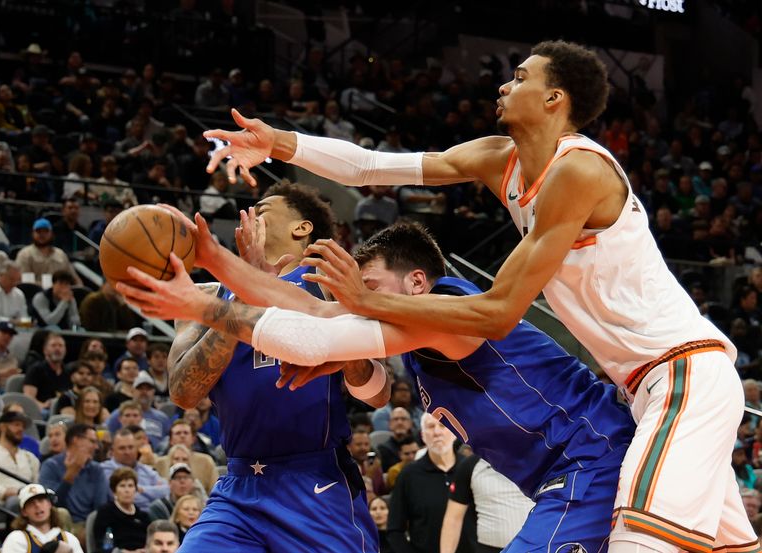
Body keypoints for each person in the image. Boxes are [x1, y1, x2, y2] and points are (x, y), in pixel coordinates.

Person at [201, 40, 755, 553]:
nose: (503, 86)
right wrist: (278, 143)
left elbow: (498, 312)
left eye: (520, 77)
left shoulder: (580, 170)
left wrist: (364, 301)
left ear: (555, 98)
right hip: (641, 390)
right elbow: (372, 166)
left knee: (639, 542)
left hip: (682, 372)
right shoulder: (500, 159)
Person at [118, 221, 636, 552]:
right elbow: (317, 310)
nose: (356, 302)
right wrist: (212, 260)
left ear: (415, 282)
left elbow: (315, 332)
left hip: (591, 460)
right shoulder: (408, 332)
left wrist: (201, 306)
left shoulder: (447, 308)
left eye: (368, 289)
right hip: (564, 473)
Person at [124, 183, 384, 553]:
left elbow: (378, 393)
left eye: (261, 210)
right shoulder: (206, 297)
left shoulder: (329, 287)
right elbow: (184, 393)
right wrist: (241, 292)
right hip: (240, 486)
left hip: (316, 482)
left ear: (301, 228)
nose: (249, 217)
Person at [388, 414, 476, 553]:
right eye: (430, 427)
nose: (437, 432)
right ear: (423, 436)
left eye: (442, 426)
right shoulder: (408, 475)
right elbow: (395, 530)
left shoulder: (472, 469)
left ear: (454, 433)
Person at [441, 453, 534, 553]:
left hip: (534, 547)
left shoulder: (538, 461)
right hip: (488, 549)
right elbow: (453, 519)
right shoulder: (470, 465)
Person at [39, 423, 108, 527]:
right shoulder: (51, 466)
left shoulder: (96, 469)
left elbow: (101, 507)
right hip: (61, 526)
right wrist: (69, 476)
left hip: (90, 526)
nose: (96, 447)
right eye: (92, 441)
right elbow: (49, 504)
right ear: (76, 440)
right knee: (62, 514)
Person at [0, 411, 39, 505]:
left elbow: (36, 486)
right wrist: (7, 492)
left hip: (29, 502)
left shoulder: (30, 457)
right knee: (15, 502)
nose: (21, 429)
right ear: (2, 427)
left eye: (23, 427)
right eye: (16, 425)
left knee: (61, 512)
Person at [0, 484, 84, 553]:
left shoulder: (69, 538)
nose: (37, 505)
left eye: (41, 500)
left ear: (49, 504)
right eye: (31, 503)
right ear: (24, 512)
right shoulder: (16, 539)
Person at [100, 429, 169, 511]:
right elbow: (123, 498)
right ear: (112, 451)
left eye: (131, 447)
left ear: (137, 449)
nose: (127, 452)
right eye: (122, 448)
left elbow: (167, 490)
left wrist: (142, 490)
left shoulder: (146, 470)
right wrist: (154, 492)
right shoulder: (105, 470)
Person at [105, 372, 170, 450]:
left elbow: (168, 439)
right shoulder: (118, 414)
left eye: (148, 389)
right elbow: (106, 434)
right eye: (140, 388)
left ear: (153, 392)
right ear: (132, 391)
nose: (144, 392)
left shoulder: (162, 417)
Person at [93, 467, 151, 553]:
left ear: (136, 490)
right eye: (122, 486)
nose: (127, 490)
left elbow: (150, 541)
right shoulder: (106, 513)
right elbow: (103, 545)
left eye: (130, 486)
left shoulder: (143, 516)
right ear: (114, 491)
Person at [16, 219, 82, 286]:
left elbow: (75, 279)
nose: (42, 235)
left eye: (45, 232)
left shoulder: (61, 254)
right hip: (34, 293)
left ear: (52, 234)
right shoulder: (25, 254)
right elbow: (25, 283)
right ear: (33, 234)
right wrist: (48, 286)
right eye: (38, 232)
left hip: (60, 293)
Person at [23, 333, 69, 411]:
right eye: (53, 345)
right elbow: (29, 398)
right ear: (45, 350)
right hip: (42, 410)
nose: (57, 349)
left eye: (61, 345)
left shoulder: (68, 371)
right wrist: (43, 405)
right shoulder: (36, 369)